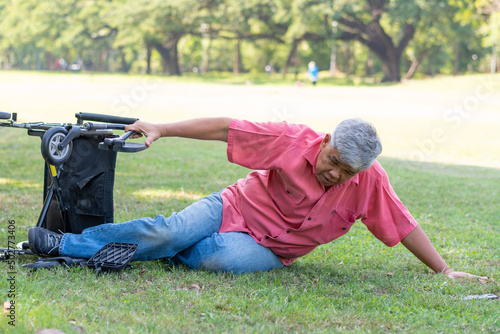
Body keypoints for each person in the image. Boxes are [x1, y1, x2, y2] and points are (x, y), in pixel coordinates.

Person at [29, 118, 486, 281]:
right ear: (325, 141)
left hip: (270, 250)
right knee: (169, 230)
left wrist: (444, 270)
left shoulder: (370, 182)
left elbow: (403, 224)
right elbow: (229, 128)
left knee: (215, 260)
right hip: (233, 206)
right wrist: (164, 128)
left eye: (346, 173)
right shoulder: (291, 140)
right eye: (332, 161)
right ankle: (62, 244)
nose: (334, 174)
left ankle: (148, 252)